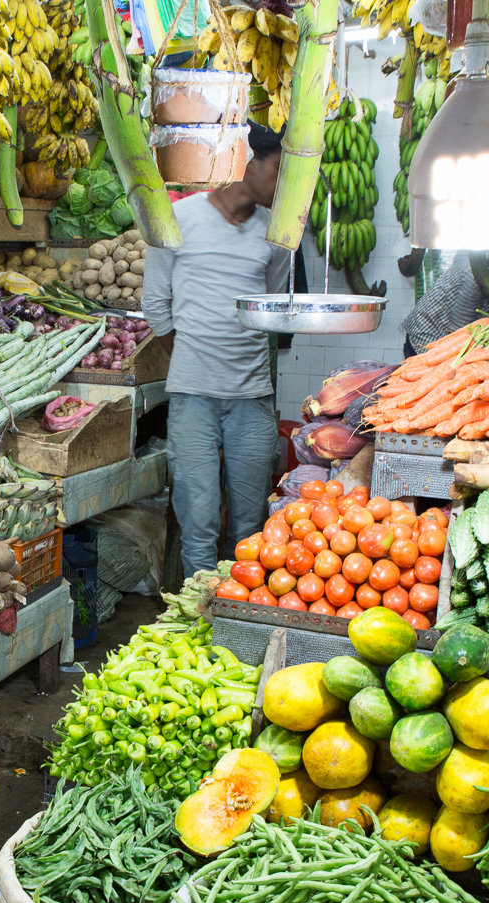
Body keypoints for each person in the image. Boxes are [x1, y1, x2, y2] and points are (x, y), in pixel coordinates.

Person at [142, 123, 293, 578]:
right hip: (192, 399)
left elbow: (273, 305)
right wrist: (191, 355)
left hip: (251, 400)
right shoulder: (178, 220)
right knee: (199, 522)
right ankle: (196, 624)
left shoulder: (278, 232)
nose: (286, 188)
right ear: (248, 161)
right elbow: (155, 305)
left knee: (249, 528)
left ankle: (237, 622)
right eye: (280, 173)